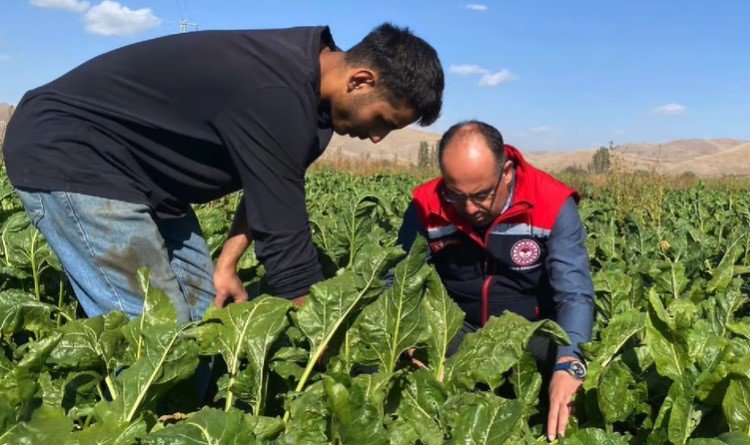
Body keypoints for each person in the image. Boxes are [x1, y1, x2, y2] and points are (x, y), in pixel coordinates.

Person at [2, 23, 445, 323]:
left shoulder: (312, 97)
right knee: (151, 337)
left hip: (149, 178)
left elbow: (271, 190)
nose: (378, 138)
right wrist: (325, 340)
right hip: (73, 153)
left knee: (202, 314)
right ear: (362, 80)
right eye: (385, 120)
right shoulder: (277, 91)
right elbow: (286, 247)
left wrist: (227, 264)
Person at [397, 120, 595, 441]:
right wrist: (404, 334)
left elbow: (574, 295)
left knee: (581, 389)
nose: (470, 208)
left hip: (528, 334)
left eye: (481, 195)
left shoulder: (552, 204)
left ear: (506, 172)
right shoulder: (426, 205)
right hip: (457, 330)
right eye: (456, 195)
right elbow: (399, 279)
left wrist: (570, 362)